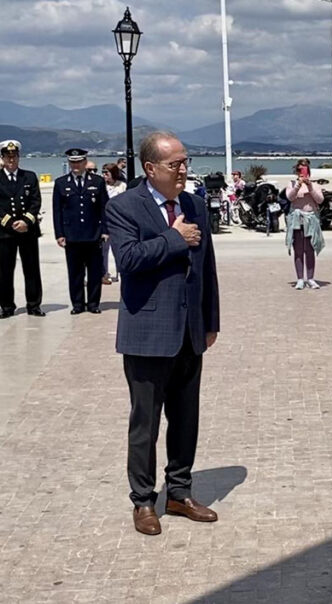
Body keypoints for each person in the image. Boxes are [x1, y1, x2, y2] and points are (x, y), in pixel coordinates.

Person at [105, 131, 220, 536]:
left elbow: (206, 268)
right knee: (146, 424)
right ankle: (143, 500)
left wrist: (210, 321)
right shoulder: (123, 207)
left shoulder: (195, 205)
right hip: (147, 333)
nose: (183, 170)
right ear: (150, 168)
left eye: (186, 162)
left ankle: (179, 493)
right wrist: (174, 238)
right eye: (175, 164)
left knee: (186, 418)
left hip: (189, 332)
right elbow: (128, 259)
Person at [0, 139, 44, 318]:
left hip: (28, 230)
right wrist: (11, 222)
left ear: (18, 157)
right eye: (7, 157)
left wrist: (26, 221)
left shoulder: (29, 177)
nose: (11, 160)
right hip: (6, 232)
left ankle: (34, 305)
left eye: (14, 156)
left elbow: (36, 201)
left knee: (31, 268)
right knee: (5, 270)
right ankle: (7, 306)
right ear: (2, 158)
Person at [53, 148, 110, 314]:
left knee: (94, 272)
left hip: (93, 233)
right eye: (72, 162)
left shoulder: (97, 181)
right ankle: (77, 304)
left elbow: (104, 207)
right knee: (75, 273)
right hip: (72, 235)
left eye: (79, 162)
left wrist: (105, 230)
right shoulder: (61, 183)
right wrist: (59, 234)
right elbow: (57, 211)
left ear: (85, 162)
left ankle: (93, 304)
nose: (76, 165)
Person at [285, 158, 325, 290]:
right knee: (298, 250)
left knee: (310, 249)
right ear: (297, 171)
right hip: (297, 219)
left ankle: (311, 278)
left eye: (305, 169)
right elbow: (290, 197)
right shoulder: (291, 184)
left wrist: (310, 186)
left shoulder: (315, 185)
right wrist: (298, 185)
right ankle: (300, 279)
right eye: (300, 169)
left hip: (311, 219)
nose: (302, 172)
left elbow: (320, 200)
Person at [101, 163, 127, 284]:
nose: (104, 175)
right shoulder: (101, 186)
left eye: (107, 173)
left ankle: (119, 272)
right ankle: (104, 273)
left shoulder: (122, 186)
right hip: (105, 220)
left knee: (118, 247)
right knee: (104, 249)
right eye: (103, 173)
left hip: (118, 220)